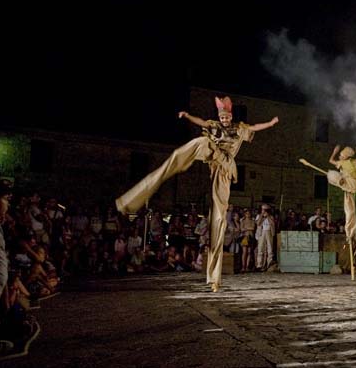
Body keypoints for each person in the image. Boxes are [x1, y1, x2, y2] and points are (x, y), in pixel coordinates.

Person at [115, 96, 279, 292]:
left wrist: (270, 123)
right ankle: (134, 197)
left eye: (227, 117)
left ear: (231, 116)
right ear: (220, 117)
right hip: (212, 154)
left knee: (219, 216)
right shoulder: (213, 125)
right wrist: (187, 116)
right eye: (222, 117)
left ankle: (215, 278)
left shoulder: (239, 128)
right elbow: (201, 122)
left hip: (225, 166)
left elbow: (254, 127)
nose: (225, 120)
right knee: (196, 144)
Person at [327, 145, 356, 244]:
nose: (340, 156)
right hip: (348, 184)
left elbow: (331, 160)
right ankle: (350, 233)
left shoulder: (352, 162)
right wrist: (335, 151)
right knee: (350, 211)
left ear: (346, 156)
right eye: (339, 155)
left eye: (341, 155)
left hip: (351, 183)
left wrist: (334, 152)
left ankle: (350, 233)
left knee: (331, 175)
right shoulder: (344, 162)